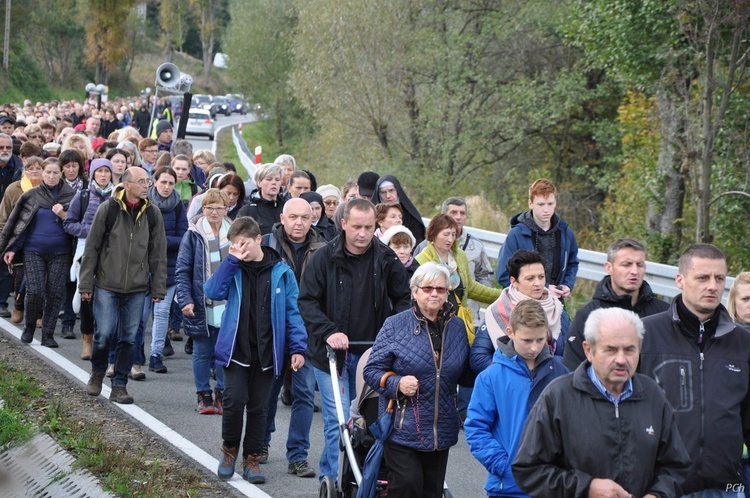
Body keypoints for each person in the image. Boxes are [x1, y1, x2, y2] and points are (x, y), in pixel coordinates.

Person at [512, 308, 690, 498]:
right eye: (611, 350)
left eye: (630, 349)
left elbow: (676, 467)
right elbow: (528, 470)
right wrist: (586, 488)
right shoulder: (558, 397)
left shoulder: (652, 394)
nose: (621, 359)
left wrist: (658, 494)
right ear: (589, 350)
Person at [298, 198, 411, 481]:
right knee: (338, 423)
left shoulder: (386, 259)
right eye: (357, 227)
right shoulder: (323, 258)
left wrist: (392, 334)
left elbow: (403, 300)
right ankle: (333, 478)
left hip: (374, 355)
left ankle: (361, 477)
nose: (362, 234)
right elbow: (308, 301)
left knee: (368, 423)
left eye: (369, 227)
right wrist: (328, 331)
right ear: (344, 224)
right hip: (331, 356)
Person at [640, 244, 750, 496]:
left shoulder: (743, 343)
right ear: (680, 280)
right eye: (703, 277)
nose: (712, 286)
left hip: (727, 487)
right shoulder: (645, 334)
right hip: (662, 487)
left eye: (719, 278)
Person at [210, 216, 308, 484]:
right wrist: (231, 260)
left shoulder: (281, 271)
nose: (239, 248)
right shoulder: (233, 267)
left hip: (268, 353)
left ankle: (251, 459)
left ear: (258, 240)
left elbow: (293, 311)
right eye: (234, 245)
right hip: (235, 351)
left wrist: (298, 347)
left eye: (243, 243)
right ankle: (229, 450)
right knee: (233, 402)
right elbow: (212, 291)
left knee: (258, 408)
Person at [363, 262, 472, 497]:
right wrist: (397, 384)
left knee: (431, 492)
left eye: (441, 289)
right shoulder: (395, 325)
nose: (434, 293)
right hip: (402, 427)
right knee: (407, 486)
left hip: (441, 427)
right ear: (414, 291)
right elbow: (371, 371)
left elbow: (465, 373)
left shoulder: (457, 327)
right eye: (427, 288)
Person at [80, 167, 167, 405]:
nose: (146, 185)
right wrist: (86, 283)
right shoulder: (108, 209)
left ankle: (119, 385)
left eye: (147, 181)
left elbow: (158, 253)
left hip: (137, 288)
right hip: (106, 283)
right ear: (126, 185)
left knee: (129, 338)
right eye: (141, 181)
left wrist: (158, 287)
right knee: (105, 332)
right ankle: (98, 372)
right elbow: (92, 248)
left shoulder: (152, 213)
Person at [465, 299, 568, 498]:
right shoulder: (491, 377)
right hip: (508, 487)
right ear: (510, 332)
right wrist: (503, 466)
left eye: (540, 340)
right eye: (527, 340)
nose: (534, 348)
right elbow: (476, 428)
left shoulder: (561, 373)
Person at [260, 198, 326, 476]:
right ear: (283, 218)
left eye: (305, 217)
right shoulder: (266, 244)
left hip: (309, 332)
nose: (299, 223)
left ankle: (297, 456)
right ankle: (259, 444)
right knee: (267, 393)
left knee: (304, 396)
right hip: (271, 331)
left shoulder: (324, 248)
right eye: (293, 217)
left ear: (313, 219)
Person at [0, 157, 76, 347]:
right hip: (33, 250)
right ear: (42, 173)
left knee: (55, 292)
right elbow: (19, 224)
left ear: (62, 174)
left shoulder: (72, 196)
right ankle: (29, 327)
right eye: (48, 172)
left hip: (61, 252)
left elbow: (78, 225)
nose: (51, 176)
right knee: (34, 291)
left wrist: (64, 215)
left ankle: (48, 333)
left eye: (55, 173)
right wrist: (12, 248)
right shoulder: (31, 195)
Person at [562, 238, 669, 370]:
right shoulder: (587, 316)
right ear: (609, 267)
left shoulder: (664, 313)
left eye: (639, 265)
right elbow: (573, 370)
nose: (634, 271)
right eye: (626, 264)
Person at [175, 189, 232, 414]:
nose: (214, 212)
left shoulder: (234, 232)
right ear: (203, 209)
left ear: (226, 209)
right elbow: (182, 270)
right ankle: (203, 394)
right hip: (201, 302)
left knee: (224, 352)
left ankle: (222, 392)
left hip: (228, 304)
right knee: (202, 351)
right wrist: (186, 300)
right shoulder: (193, 234)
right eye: (209, 208)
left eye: (219, 208)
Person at [471, 250, 569, 373]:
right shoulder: (498, 311)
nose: (538, 283)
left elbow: (570, 356)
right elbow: (479, 357)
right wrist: (513, 374)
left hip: (549, 385)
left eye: (541, 277)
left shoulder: (557, 309)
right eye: (530, 278)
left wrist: (544, 370)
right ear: (514, 281)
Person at [63, 158, 114, 360]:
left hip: (111, 252)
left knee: (108, 296)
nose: (103, 175)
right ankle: (87, 339)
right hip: (86, 251)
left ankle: (105, 340)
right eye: (99, 171)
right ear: (93, 174)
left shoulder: (117, 195)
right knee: (86, 296)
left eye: (106, 171)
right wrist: (91, 231)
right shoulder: (83, 196)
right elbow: (69, 223)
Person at [495, 178, 578, 300]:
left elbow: (572, 263)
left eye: (550, 204)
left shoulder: (565, 233)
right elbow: (503, 274)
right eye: (540, 204)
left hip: (555, 301)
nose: (546, 209)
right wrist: (544, 288)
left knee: (567, 320)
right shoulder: (517, 234)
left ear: (555, 203)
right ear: (530, 203)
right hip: (522, 303)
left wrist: (567, 284)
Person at [143, 166, 188, 374]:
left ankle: (156, 355)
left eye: (171, 183)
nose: (167, 187)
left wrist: (162, 241)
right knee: (141, 315)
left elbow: (183, 237)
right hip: (142, 267)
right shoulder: (144, 203)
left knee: (161, 314)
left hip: (168, 267)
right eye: (163, 182)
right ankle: (135, 353)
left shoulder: (179, 206)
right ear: (155, 182)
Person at [373, 175, 426, 247]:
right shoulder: (372, 217)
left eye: (391, 190)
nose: (388, 196)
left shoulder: (411, 217)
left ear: (398, 191)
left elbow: (418, 245)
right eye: (383, 192)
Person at [236, 163, 285, 235]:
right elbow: (237, 237)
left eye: (277, 180)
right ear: (259, 183)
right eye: (269, 179)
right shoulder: (248, 211)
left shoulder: (287, 208)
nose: (274, 183)